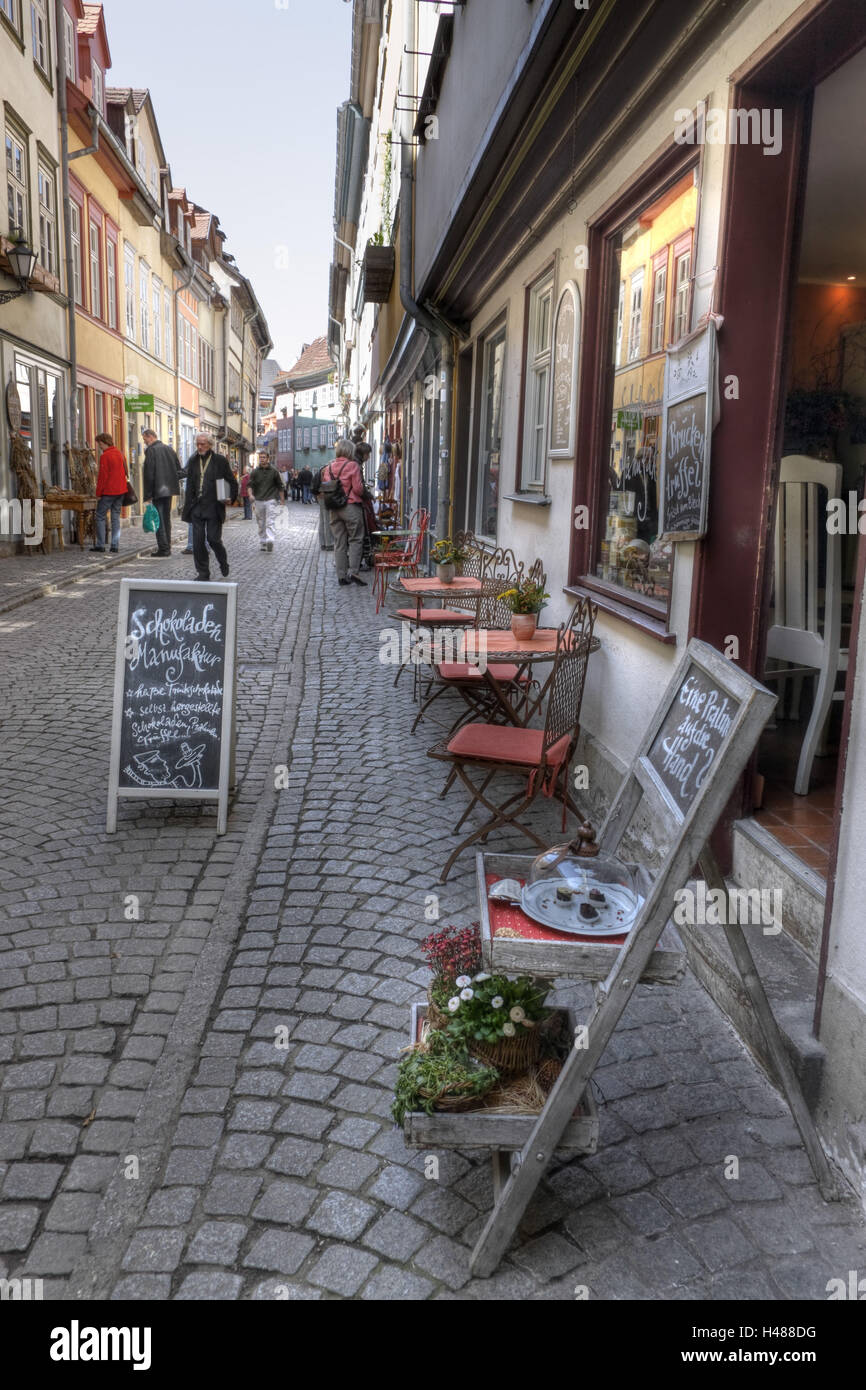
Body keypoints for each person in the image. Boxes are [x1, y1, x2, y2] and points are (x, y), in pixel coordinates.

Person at [182, 432, 238, 581]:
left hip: (214, 506)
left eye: (203, 444)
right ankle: (203, 572)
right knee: (198, 541)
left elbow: (232, 482)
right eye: (197, 444)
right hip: (197, 507)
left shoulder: (220, 461)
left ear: (210, 445)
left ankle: (223, 562)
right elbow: (187, 480)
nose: (199, 447)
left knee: (213, 540)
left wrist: (230, 497)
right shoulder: (193, 460)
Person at [322, 438, 367, 586]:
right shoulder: (353, 465)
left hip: (334, 509)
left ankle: (341, 575)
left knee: (339, 542)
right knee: (355, 539)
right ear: (350, 451)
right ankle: (353, 571)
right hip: (351, 507)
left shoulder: (329, 467)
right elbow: (358, 489)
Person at [141, 428, 182, 557]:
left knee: (159, 520)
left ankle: (163, 549)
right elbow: (178, 470)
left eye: (145, 439)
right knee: (166, 519)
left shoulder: (151, 451)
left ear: (150, 437)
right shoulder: (169, 449)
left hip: (157, 490)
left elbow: (149, 475)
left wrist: (147, 496)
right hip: (168, 490)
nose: (145, 442)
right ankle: (167, 546)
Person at [92, 433, 128, 554]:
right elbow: (125, 472)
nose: (100, 447)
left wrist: (98, 493)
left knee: (100, 516)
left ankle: (101, 545)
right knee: (115, 517)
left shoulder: (105, 456)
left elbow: (103, 477)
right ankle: (114, 546)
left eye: (100, 444)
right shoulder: (120, 453)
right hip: (121, 490)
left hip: (109, 491)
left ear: (105, 442)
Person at [248, 453, 286, 552]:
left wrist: (282, 500)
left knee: (270, 520)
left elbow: (280, 486)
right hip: (258, 499)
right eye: (260, 457)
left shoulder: (274, 471)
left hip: (271, 499)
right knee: (261, 522)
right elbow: (250, 485)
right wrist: (250, 495)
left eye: (264, 457)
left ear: (268, 459)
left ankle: (270, 540)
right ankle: (263, 541)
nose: (262, 459)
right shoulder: (255, 472)